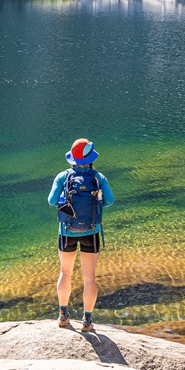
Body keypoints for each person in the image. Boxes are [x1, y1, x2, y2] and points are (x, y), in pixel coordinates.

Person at [48, 138, 114, 333]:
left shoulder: (63, 177)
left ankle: (63, 315)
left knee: (65, 273)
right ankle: (87, 320)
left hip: (67, 231)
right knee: (89, 278)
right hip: (91, 232)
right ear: (91, 158)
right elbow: (109, 201)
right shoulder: (98, 177)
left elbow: (52, 201)